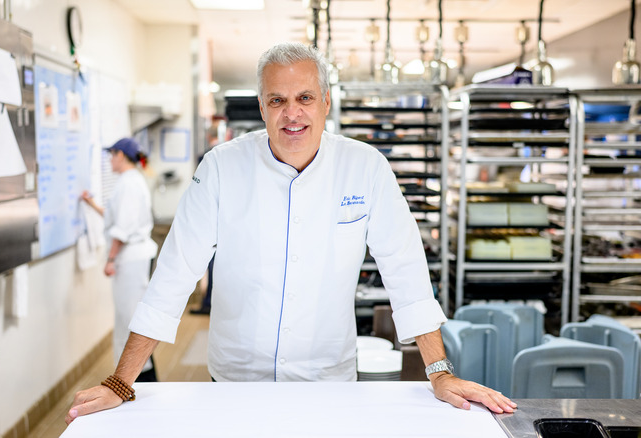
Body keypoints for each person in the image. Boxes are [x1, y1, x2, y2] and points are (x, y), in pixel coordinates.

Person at [66, 43, 516, 425]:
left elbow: (406, 271)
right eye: (277, 100)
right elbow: (174, 275)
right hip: (236, 381)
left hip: (328, 381)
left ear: (326, 102)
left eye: (304, 97)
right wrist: (120, 381)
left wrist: (439, 372)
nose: (292, 113)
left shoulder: (365, 168)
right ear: (262, 107)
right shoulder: (222, 168)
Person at [80, 137, 159, 382]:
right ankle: (138, 379)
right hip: (134, 258)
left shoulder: (129, 183)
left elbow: (122, 229)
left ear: (121, 156)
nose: (110, 160)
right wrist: (92, 204)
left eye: (111, 155)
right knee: (129, 321)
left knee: (131, 323)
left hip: (131, 260)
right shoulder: (131, 181)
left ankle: (142, 381)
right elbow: (117, 218)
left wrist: (110, 259)